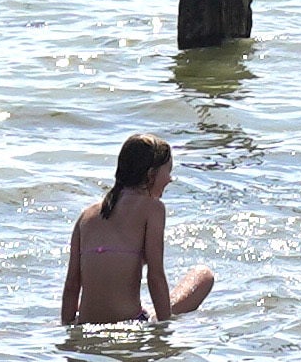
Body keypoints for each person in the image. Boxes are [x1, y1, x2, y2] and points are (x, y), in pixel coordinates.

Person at [61, 135, 215, 325]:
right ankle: (153, 314)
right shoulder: (153, 208)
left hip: (85, 322)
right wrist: (163, 327)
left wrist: (67, 328)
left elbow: (72, 285)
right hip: (130, 321)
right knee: (203, 275)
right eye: (168, 171)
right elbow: (155, 275)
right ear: (151, 174)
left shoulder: (86, 216)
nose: (170, 179)